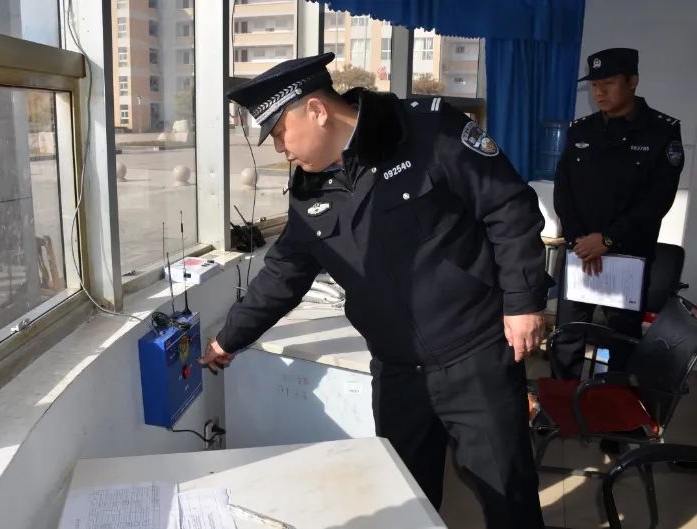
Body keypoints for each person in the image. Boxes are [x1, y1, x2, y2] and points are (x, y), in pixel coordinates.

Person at [202, 53, 548, 528]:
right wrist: (229, 338)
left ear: (316, 111)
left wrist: (523, 301)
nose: (280, 148)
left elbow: (509, 207)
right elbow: (285, 272)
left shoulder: (428, 131)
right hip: (398, 372)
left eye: (280, 132)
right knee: (404, 499)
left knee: (507, 494)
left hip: (474, 356)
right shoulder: (309, 190)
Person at [553, 48, 684, 380]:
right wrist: (579, 240)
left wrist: (608, 239)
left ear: (633, 81)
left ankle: (611, 406)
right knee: (567, 337)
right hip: (580, 253)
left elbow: (657, 201)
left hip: (627, 255)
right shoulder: (581, 130)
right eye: (595, 85)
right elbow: (564, 189)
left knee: (621, 342)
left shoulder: (661, 131)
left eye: (608, 83)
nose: (599, 92)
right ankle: (561, 404)